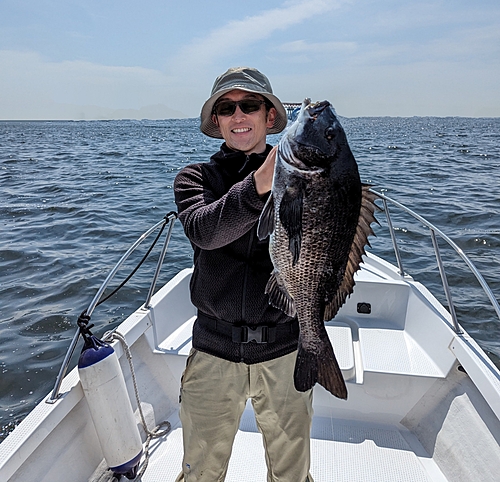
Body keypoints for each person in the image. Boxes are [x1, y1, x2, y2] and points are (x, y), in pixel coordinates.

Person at [174, 67, 313, 482]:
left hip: (287, 349)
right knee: (200, 473)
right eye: (226, 107)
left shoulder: (305, 179)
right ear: (216, 121)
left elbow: (328, 242)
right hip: (213, 349)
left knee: (292, 475)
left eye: (250, 105)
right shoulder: (196, 178)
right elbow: (205, 230)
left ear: (270, 116)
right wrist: (258, 186)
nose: (238, 114)